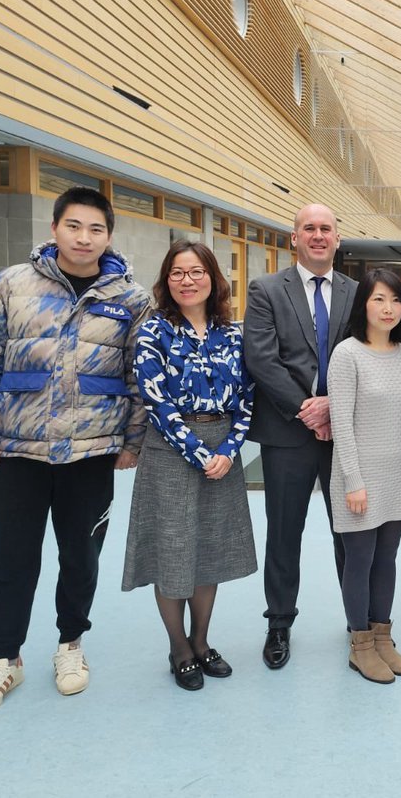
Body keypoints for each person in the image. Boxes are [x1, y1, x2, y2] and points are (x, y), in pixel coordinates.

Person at [0, 186, 151, 716]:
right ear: (55, 229)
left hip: (92, 451)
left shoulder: (131, 299)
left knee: (81, 555)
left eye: (95, 229)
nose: (84, 238)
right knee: (11, 556)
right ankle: (6, 657)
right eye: (74, 226)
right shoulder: (9, 286)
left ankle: (70, 644)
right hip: (19, 450)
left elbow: (139, 375)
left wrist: (132, 441)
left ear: (109, 236)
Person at [122, 241, 256, 690]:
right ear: (167, 281)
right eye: (178, 273)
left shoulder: (232, 334)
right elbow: (156, 402)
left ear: (213, 279)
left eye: (197, 271)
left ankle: (201, 641)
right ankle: (179, 648)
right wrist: (201, 454)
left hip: (223, 453)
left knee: (209, 550)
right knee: (174, 550)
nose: (187, 280)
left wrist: (229, 449)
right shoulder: (153, 332)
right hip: (172, 452)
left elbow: (247, 398)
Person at [243, 203, 357, 670]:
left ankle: (359, 622)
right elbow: (261, 358)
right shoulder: (266, 289)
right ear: (294, 238)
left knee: (350, 532)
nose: (318, 235)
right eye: (309, 228)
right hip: (287, 431)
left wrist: (333, 406)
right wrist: (308, 410)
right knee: (284, 533)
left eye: (326, 228)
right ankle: (279, 623)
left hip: (345, 433)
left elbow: (366, 352)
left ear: (337, 239)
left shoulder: (356, 292)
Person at [327, 269, 401, 684]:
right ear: (363, 303)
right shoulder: (347, 354)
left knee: (386, 559)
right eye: (379, 299)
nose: (388, 308)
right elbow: (341, 423)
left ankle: (382, 637)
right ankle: (360, 645)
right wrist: (353, 481)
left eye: (396, 300)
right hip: (359, 475)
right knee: (359, 560)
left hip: (398, 473)